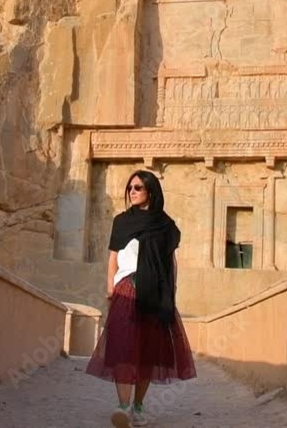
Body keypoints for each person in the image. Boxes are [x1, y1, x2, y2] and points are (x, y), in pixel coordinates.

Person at [85, 170, 197, 427]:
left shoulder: (165, 225)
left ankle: (137, 406)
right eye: (130, 188)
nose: (132, 192)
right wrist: (111, 287)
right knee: (123, 347)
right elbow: (113, 257)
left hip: (156, 293)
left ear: (151, 191)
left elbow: (170, 261)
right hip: (127, 288)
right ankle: (123, 407)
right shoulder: (122, 222)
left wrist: (170, 294)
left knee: (147, 351)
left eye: (137, 188)